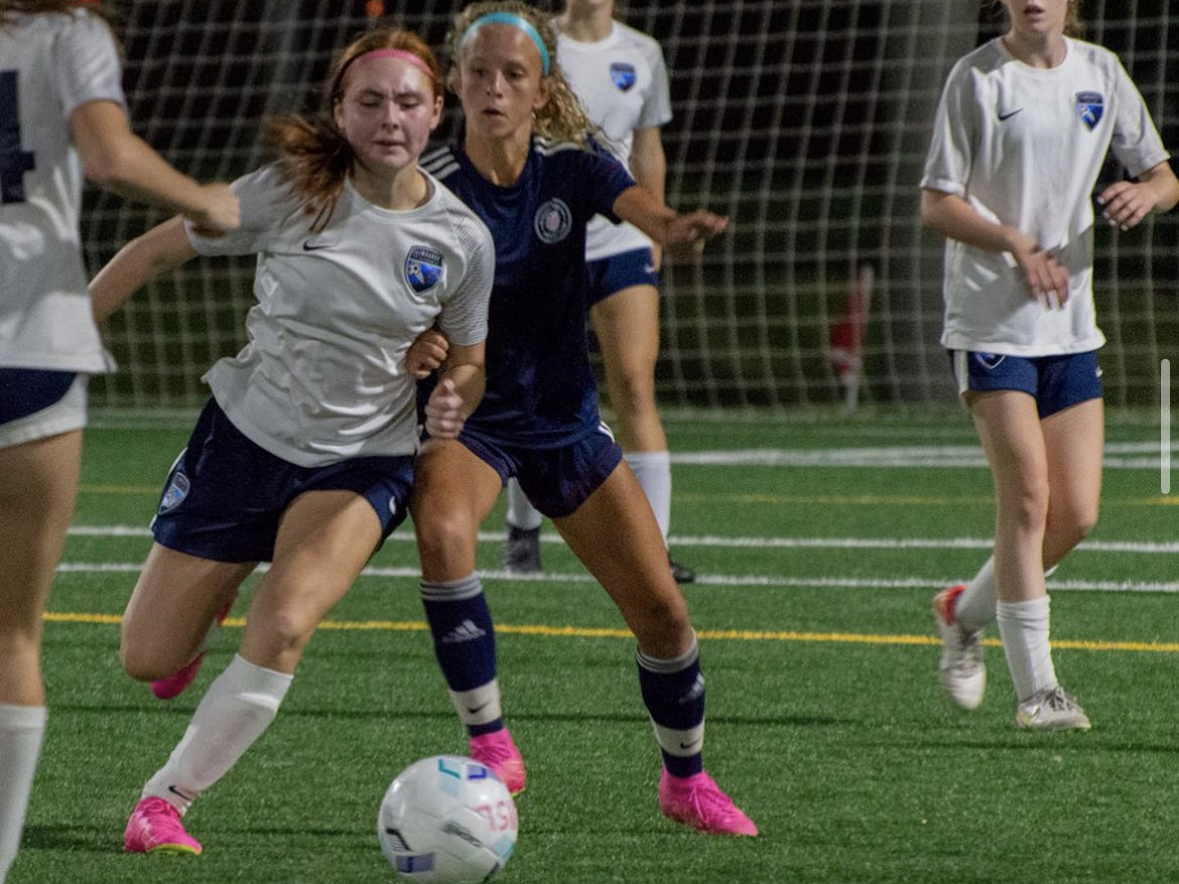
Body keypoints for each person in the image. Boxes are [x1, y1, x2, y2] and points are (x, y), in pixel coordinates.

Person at [86, 27, 495, 855]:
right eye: (370, 101)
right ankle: (211, 597)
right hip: (245, 439)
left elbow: (472, 357)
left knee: (287, 622)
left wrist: (452, 390)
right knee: (144, 657)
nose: (390, 118)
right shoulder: (289, 192)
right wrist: (64, 340)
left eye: (408, 102)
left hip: (362, 462)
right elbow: (152, 252)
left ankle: (165, 803)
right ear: (340, 110)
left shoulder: (462, 239)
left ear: (435, 112)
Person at [412, 1, 756, 835]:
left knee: (664, 615)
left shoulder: (570, 167)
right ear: (455, 82)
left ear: (541, 91)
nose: (494, 88)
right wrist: (422, 340)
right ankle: (489, 738)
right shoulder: (424, 187)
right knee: (445, 531)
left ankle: (686, 781)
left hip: (564, 420)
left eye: (513, 75)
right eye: (479, 73)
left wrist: (675, 227)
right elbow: (398, 298)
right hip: (475, 420)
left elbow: (643, 210)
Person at [0, 2, 241, 879]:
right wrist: (204, 200)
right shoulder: (71, 34)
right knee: (12, 637)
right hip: (25, 341)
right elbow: (106, 153)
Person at [921, 0, 1178, 730]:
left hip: (1069, 327)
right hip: (989, 320)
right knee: (1027, 500)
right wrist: (1013, 243)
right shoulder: (976, 80)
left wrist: (1144, 193)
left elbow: (1163, 175)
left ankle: (960, 612)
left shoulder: (1101, 71)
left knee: (1078, 513)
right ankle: (1038, 691)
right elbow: (935, 205)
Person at [500, 0, 693, 584]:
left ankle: (653, 551)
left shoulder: (642, 52)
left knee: (634, 384)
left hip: (620, 240)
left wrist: (655, 225)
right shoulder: (534, 43)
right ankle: (522, 530)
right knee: (530, 391)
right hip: (546, 239)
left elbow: (646, 148)